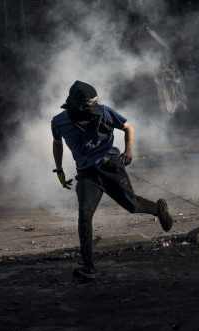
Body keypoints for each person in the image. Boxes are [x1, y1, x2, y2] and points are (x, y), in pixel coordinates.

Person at [51, 80, 173, 279]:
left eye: (96, 100)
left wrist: (129, 150)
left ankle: (160, 209)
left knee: (132, 205)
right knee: (84, 216)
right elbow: (57, 143)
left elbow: (128, 128)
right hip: (87, 174)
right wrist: (59, 170)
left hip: (111, 167)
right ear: (79, 104)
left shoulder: (104, 112)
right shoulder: (59, 121)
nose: (96, 104)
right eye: (92, 101)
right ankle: (87, 266)